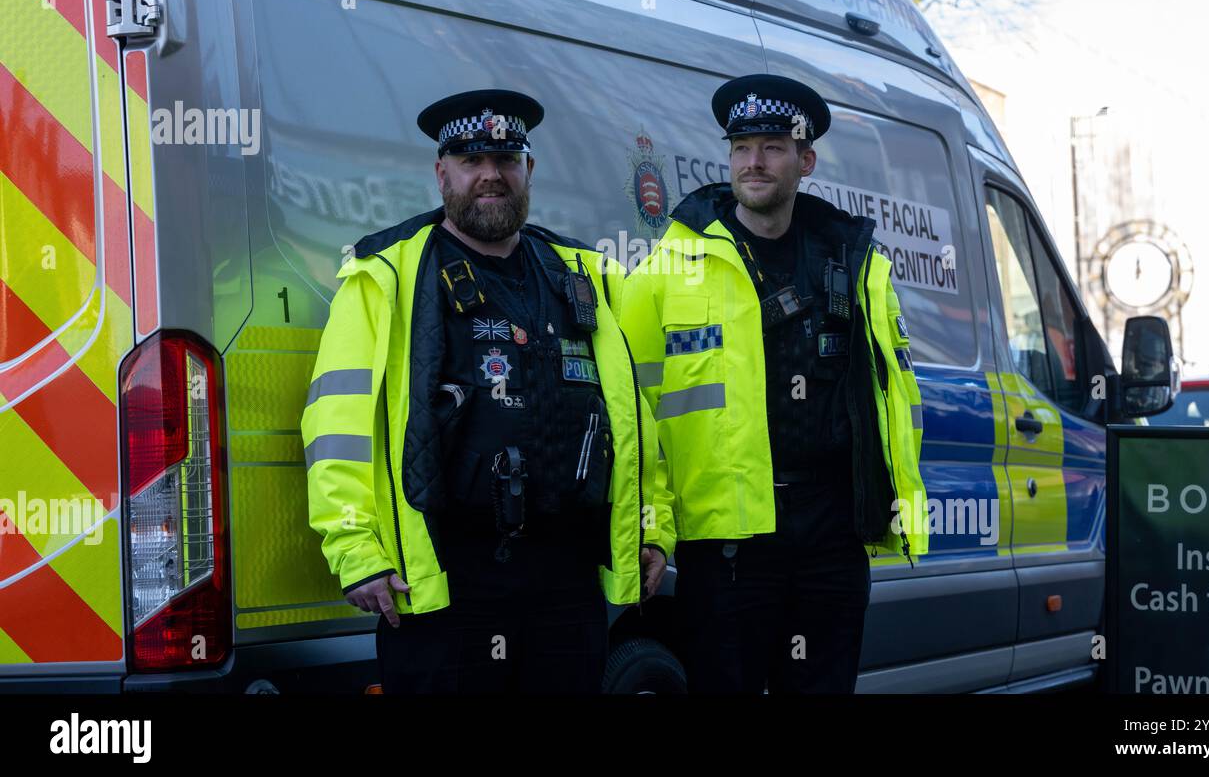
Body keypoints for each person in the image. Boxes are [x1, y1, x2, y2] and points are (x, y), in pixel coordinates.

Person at [303, 88, 674, 693]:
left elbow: (632, 419)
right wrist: (355, 549)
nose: (489, 176)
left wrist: (652, 527)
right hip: (448, 578)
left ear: (528, 170)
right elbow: (335, 427)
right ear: (441, 172)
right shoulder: (388, 275)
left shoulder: (581, 272)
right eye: (472, 161)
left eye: (505, 161)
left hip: (566, 581)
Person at [620, 73, 926, 694]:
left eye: (772, 147)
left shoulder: (855, 263)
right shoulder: (665, 272)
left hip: (832, 535)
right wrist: (650, 525)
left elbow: (893, 399)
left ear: (805, 160)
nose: (753, 162)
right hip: (729, 544)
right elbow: (633, 412)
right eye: (740, 148)